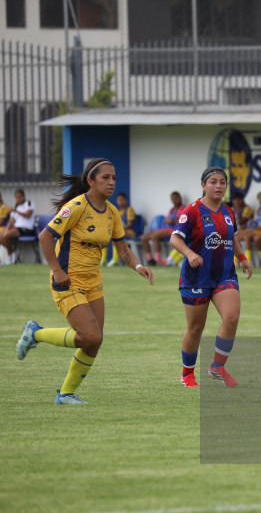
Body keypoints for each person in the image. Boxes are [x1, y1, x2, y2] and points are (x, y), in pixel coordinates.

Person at [15, 158, 154, 404]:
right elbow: (45, 236)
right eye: (105, 178)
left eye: (114, 178)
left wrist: (139, 266)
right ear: (91, 180)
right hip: (68, 281)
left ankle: (66, 394)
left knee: (94, 342)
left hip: (93, 283)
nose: (111, 182)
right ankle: (36, 333)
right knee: (91, 336)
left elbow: (123, 250)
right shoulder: (76, 206)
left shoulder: (112, 212)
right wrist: (57, 270)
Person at [169, 166, 253, 388]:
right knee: (196, 328)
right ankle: (187, 374)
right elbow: (175, 239)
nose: (218, 186)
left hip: (225, 275)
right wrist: (189, 253)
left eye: (222, 182)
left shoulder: (229, 211)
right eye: (213, 182)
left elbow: (231, 237)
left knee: (232, 318)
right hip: (196, 279)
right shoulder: (193, 210)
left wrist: (242, 256)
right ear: (203, 185)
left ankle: (217, 367)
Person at [142, 191, 183, 266]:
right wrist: (170, 221)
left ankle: (158, 260)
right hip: (167, 229)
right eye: (173, 199)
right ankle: (150, 259)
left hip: (175, 230)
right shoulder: (172, 210)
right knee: (144, 237)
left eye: (176, 198)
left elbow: (180, 221)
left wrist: (171, 221)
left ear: (180, 198)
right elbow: (166, 221)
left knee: (154, 236)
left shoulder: (182, 208)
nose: (175, 200)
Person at [0, 189, 36, 264]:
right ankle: (11, 253)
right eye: (16, 197)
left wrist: (16, 211)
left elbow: (28, 215)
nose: (18, 199)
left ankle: (12, 254)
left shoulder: (29, 203)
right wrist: (7, 228)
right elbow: (11, 220)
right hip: (17, 228)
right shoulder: (16, 206)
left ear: (23, 196)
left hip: (26, 229)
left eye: (20, 197)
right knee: (1, 236)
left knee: (6, 235)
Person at [239, 191, 261, 265]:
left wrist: (256, 229)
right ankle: (235, 262)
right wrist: (248, 226)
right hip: (256, 230)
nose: (260, 200)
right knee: (237, 236)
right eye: (259, 198)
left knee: (246, 236)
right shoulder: (258, 209)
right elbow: (254, 223)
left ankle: (247, 261)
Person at [107, 192, 136, 267]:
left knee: (115, 235)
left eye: (122, 200)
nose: (120, 202)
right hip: (122, 231)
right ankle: (103, 260)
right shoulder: (118, 211)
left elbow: (130, 224)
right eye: (119, 200)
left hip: (131, 231)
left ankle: (116, 259)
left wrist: (119, 229)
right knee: (106, 235)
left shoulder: (129, 209)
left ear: (126, 200)